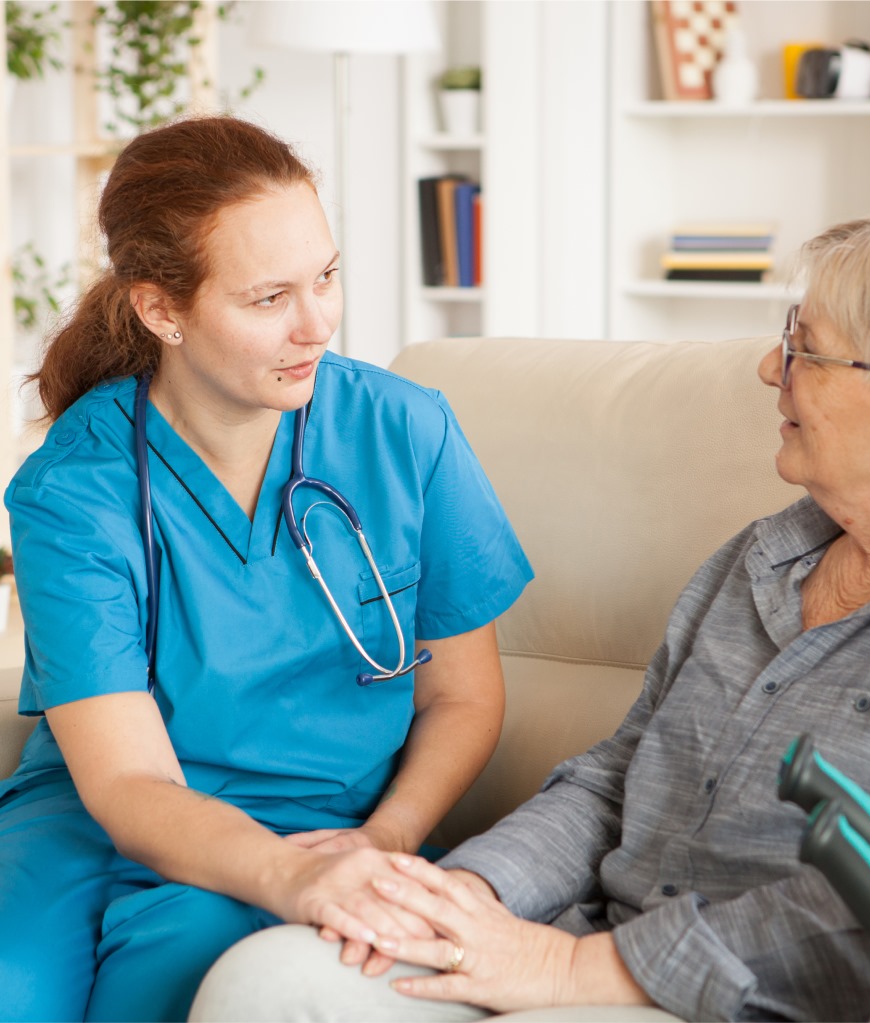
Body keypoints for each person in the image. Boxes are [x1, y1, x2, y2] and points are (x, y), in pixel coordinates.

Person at [190, 201, 870, 1023]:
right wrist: (458, 892)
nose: (767, 367)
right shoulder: (761, 560)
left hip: (751, 1000)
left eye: (805, 351)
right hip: (581, 942)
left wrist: (575, 967)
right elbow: (611, 780)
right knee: (266, 982)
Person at [0, 115, 533, 1022]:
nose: (316, 324)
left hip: (323, 817)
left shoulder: (407, 431)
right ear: (160, 309)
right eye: (268, 298)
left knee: (166, 989)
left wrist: (381, 839)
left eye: (325, 278)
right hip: (96, 812)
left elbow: (463, 694)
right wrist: (295, 878)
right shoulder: (77, 488)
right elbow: (129, 785)